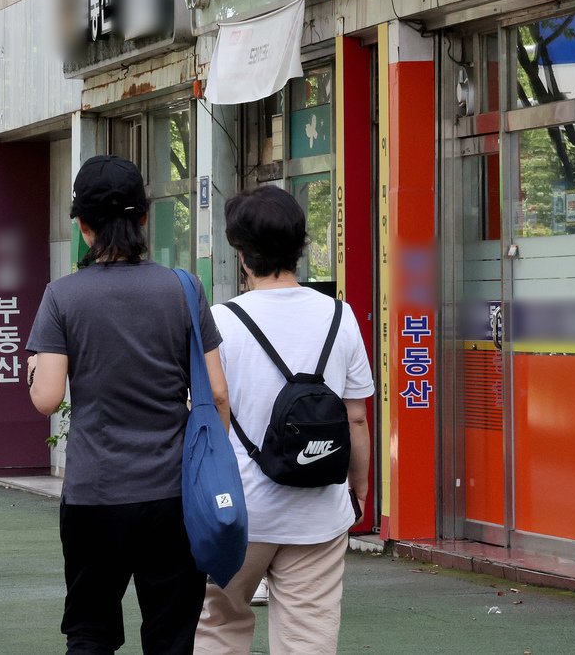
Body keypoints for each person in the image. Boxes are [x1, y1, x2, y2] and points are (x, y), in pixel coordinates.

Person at [27, 155, 232, 655]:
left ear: (83, 225)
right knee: (171, 636)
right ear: (144, 217)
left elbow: (46, 397)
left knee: (91, 630)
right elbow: (219, 392)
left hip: (94, 495)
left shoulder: (62, 297)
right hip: (171, 495)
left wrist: (33, 365)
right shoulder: (184, 289)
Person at [195, 186, 373, 655]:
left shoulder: (221, 321)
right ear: (300, 244)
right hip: (318, 507)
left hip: (237, 512)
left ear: (241, 253)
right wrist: (358, 485)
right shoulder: (340, 316)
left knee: (218, 627)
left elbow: (205, 412)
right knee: (308, 638)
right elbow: (356, 418)